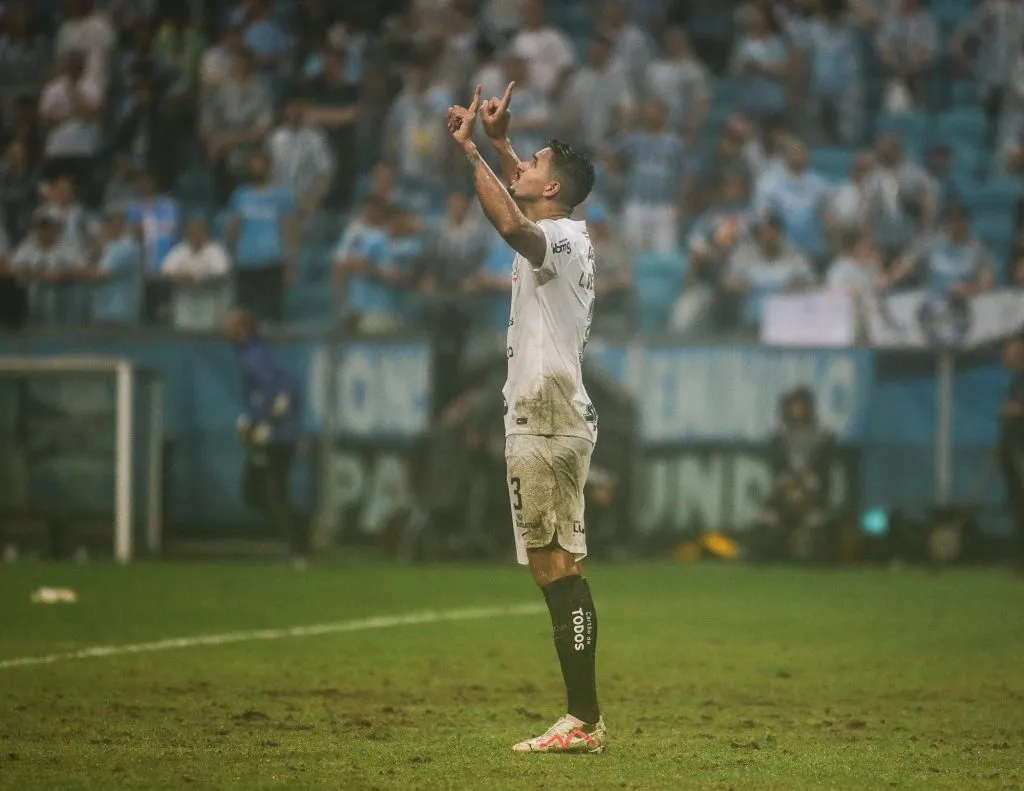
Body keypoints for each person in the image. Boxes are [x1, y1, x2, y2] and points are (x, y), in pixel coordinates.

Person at [447, 83, 604, 753]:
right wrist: (501, 142)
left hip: (545, 412)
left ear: (553, 188)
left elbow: (513, 224)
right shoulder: (565, 233)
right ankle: (584, 717)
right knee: (556, 563)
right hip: (548, 411)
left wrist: (471, 153)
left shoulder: (557, 237)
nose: (524, 168)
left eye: (535, 163)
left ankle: (583, 719)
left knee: (555, 566)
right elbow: (523, 199)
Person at [226, 308, 308, 568]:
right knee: (259, 492)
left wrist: (259, 421)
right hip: (276, 433)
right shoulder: (258, 353)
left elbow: (280, 392)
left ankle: (299, 549)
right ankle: (300, 535)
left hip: (275, 436)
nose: (225, 328)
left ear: (243, 328)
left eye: (231, 323)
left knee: (271, 493)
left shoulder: (255, 356)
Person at [226, 150, 298, 323]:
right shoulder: (240, 196)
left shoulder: (282, 196)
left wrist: (291, 264)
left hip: (273, 261)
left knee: (271, 315)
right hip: (246, 261)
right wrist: (230, 257)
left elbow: (289, 230)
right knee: (244, 314)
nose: (257, 169)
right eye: (254, 166)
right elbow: (233, 229)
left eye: (261, 165)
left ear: (269, 168)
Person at [162, 217, 232, 331]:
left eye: (198, 233)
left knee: (206, 329)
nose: (194, 237)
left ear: (205, 234)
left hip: (209, 297)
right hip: (185, 297)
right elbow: (166, 272)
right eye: (191, 234)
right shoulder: (180, 250)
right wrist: (187, 279)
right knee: (182, 328)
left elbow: (221, 274)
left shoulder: (215, 250)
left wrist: (197, 279)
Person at [88, 206, 142, 324]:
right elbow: (91, 263)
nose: (107, 227)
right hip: (102, 310)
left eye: (112, 223)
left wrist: (71, 273)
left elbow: (101, 275)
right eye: (106, 223)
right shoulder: (107, 245)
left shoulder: (127, 247)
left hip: (120, 312)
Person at [999, 331, 1024, 574]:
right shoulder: (1015, 381)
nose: (1007, 356)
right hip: (1010, 450)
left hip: (1019, 451)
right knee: (1016, 505)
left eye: (1012, 351)